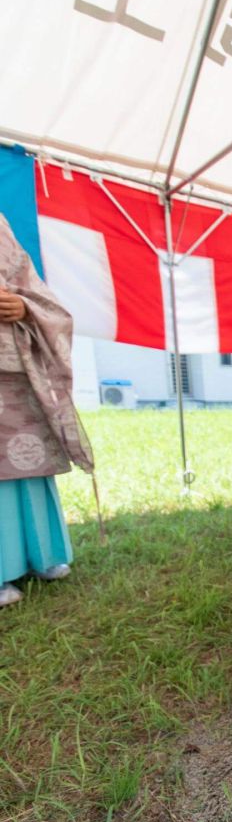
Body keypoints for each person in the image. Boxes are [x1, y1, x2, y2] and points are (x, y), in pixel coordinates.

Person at [0, 215, 94, 608]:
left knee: (28, 466)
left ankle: (40, 556)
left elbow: (43, 298)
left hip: (17, 375)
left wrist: (24, 306)